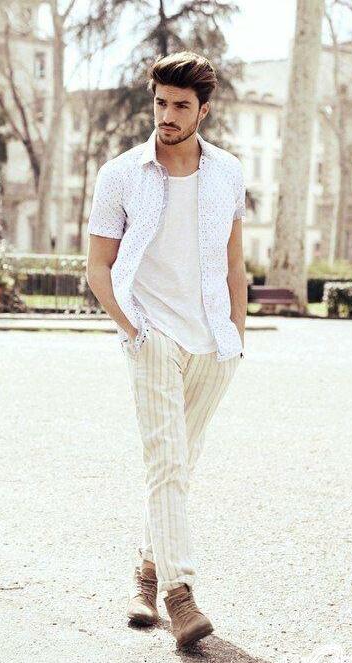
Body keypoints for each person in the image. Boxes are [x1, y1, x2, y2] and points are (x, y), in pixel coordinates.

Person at [86, 50, 247, 649]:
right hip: (152, 334)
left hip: (214, 344)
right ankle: (181, 597)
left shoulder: (228, 172)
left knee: (180, 463)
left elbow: (234, 262)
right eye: (160, 103)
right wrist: (134, 330)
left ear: (204, 110)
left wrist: (237, 335)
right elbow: (98, 268)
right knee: (167, 461)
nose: (167, 116)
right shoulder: (120, 174)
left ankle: (146, 576)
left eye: (181, 105)